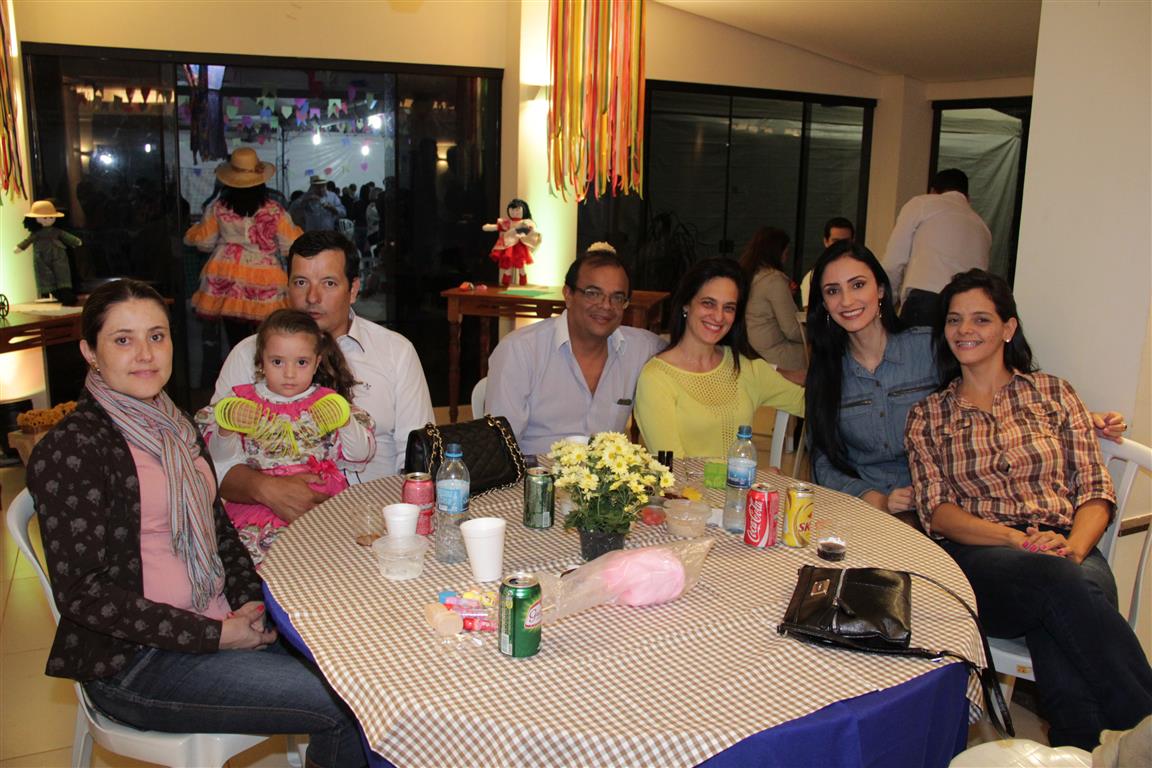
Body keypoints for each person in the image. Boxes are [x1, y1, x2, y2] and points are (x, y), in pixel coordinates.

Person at [26, 279, 367, 767]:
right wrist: (216, 635)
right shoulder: (72, 449)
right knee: (346, 706)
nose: (145, 354)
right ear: (90, 352)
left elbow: (220, 530)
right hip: (138, 660)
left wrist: (248, 602)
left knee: (362, 672)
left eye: (157, 336)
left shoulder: (176, 425)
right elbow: (85, 594)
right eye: (123, 340)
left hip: (221, 618)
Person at [905, 269, 1152, 750]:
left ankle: (1081, 749)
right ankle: (1144, 721)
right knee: (1062, 584)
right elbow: (938, 512)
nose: (964, 330)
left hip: (1067, 545)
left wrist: (1074, 547)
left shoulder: (1055, 394)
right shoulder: (928, 415)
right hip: (982, 556)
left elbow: (1094, 488)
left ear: (1008, 328)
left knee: (1064, 607)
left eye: (981, 319)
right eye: (954, 320)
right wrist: (1017, 540)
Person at [805, 241, 1126, 518]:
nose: (847, 301)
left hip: (945, 503)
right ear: (823, 304)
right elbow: (823, 459)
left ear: (880, 290)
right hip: (868, 509)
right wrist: (874, 498)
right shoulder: (826, 371)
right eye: (833, 291)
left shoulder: (930, 346)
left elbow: (995, 388)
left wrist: (1077, 418)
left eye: (858, 285)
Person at [212, 231, 434, 521]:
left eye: (328, 283)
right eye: (300, 282)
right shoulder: (249, 354)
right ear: (287, 287)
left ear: (354, 289)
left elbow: (419, 457)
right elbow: (210, 461)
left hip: (374, 517)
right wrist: (265, 489)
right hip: (268, 518)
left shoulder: (395, 352)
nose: (312, 298)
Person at [197, 309, 376, 566]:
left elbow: (360, 455)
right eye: (277, 362)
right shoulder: (242, 402)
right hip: (259, 508)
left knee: (337, 563)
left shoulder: (327, 403)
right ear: (260, 361)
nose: (289, 374)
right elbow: (219, 461)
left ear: (317, 362)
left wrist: (345, 420)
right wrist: (226, 429)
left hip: (321, 504)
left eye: (301, 362)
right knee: (261, 564)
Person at [485, 246, 664, 456]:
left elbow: (687, 353)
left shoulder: (641, 348)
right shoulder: (520, 351)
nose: (606, 306)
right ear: (568, 294)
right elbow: (498, 449)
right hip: (533, 473)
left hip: (604, 475)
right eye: (593, 294)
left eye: (617, 297)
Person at [634, 257, 804, 458]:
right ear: (686, 305)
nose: (718, 316)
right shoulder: (656, 378)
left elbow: (811, 405)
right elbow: (672, 468)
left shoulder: (745, 368)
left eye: (729, 307)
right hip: (684, 480)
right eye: (708, 303)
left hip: (740, 479)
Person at [186, 148, 302, 343]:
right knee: (265, 340)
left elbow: (205, 243)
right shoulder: (274, 210)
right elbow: (290, 245)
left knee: (235, 341)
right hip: (264, 275)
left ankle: (236, 363)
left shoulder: (218, 208)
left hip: (226, 273)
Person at [882, 168, 991, 327]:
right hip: (965, 311)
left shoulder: (921, 204)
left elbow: (893, 262)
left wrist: (885, 305)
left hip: (925, 303)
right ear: (968, 198)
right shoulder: (983, 227)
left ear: (933, 191)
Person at [740, 226, 806, 370]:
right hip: (773, 355)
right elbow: (792, 330)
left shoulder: (749, 275)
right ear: (777, 253)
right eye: (786, 253)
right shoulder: (774, 280)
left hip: (751, 350)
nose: (786, 258)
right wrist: (817, 336)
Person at [800, 216, 855, 309]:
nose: (840, 246)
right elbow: (810, 313)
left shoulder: (864, 272)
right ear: (826, 242)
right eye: (835, 241)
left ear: (853, 241)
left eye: (845, 242)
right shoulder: (813, 277)